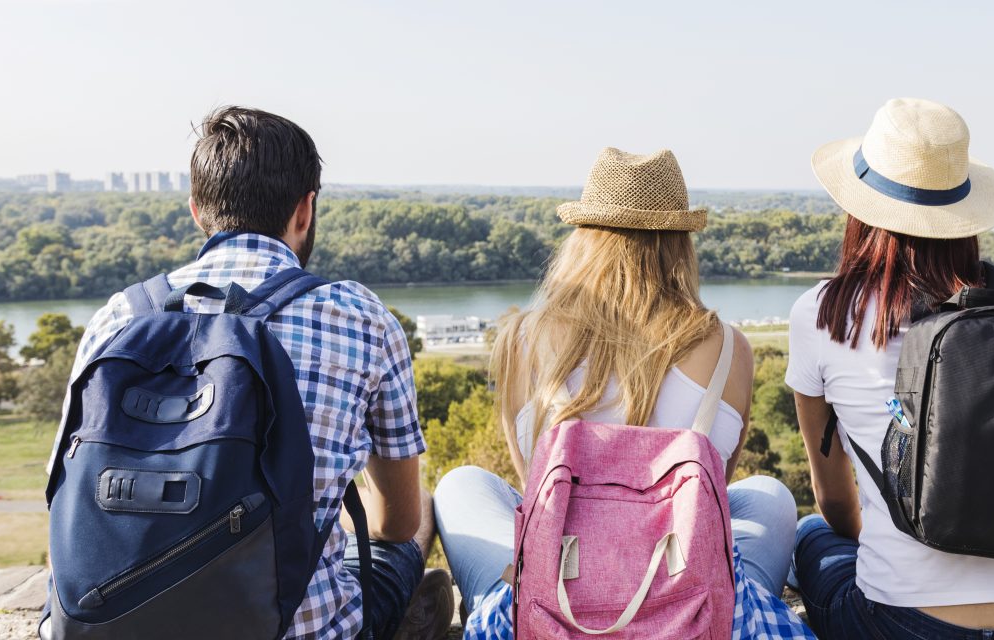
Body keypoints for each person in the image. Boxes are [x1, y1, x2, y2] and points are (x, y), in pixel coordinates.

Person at [46, 106, 452, 640]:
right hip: (293, 628)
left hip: (110, 623)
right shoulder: (360, 317)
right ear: (305, 210)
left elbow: (61, 494)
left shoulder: (119, 316)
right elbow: (393, 523)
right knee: (415, 516)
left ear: (197, 210)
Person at [434, 148, 812, 638]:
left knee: (461, 485)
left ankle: (495, 607)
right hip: (684, 591)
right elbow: (706, 504)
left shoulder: (521, 338)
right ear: (681, 242)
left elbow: (536, 494)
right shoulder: (729, 347)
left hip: (561, 588)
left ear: (582, 238)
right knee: (769, 496)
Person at [786, 98, 994, 639]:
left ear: (859, 209)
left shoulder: (824, 314)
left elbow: (833, 499)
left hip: (903, 621)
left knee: (810, 533)